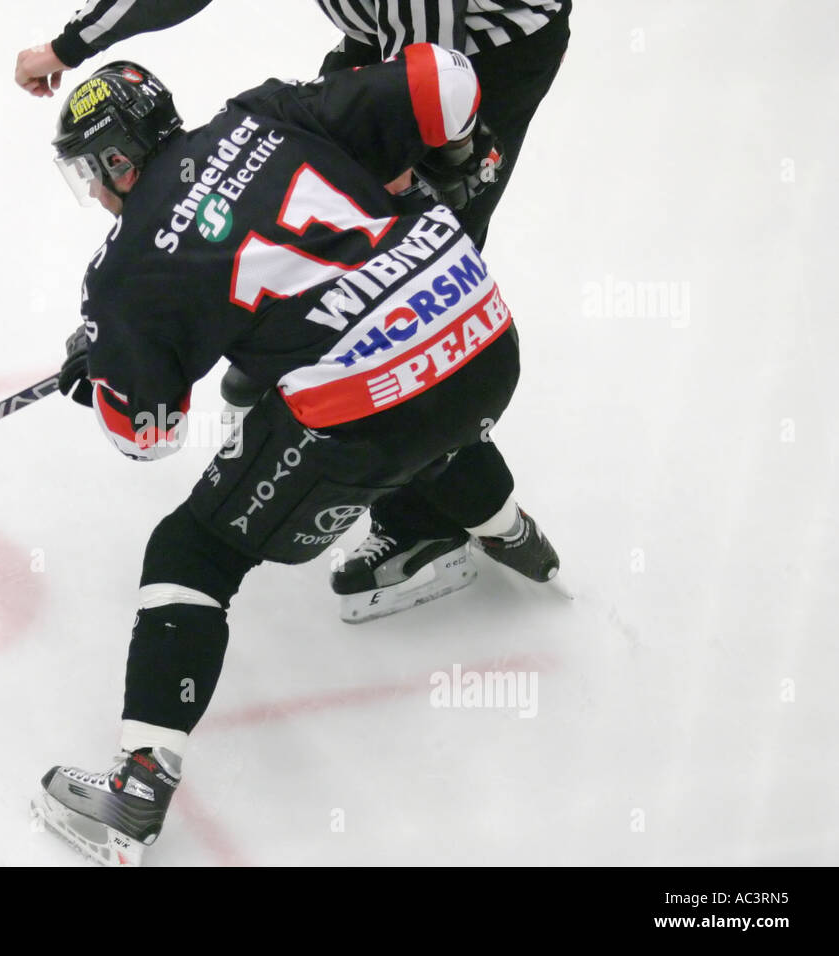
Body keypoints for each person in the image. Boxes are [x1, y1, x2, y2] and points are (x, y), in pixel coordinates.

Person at [30, 55, 560, 865]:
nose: (95, 196)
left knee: (190, 550)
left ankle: (135, 791)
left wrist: (107, 364)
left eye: (91, 176)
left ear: (118, 162)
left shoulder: (126, 268)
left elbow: (146, 435)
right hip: (482, 330)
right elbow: (447, 79)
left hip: (373, 402)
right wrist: (451, 173)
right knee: (387, 397)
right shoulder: (262, 112)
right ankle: (508, 532)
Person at [15, 0, 571, 622]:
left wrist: (439, 161)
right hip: (408, 49)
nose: (92, 192)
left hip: (484, 52)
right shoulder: (261, 114)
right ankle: (498, 515)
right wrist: (69, 46)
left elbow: (439, 68)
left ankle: (424, 527)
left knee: (395, 337)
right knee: (338, 278)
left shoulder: (131, 256)